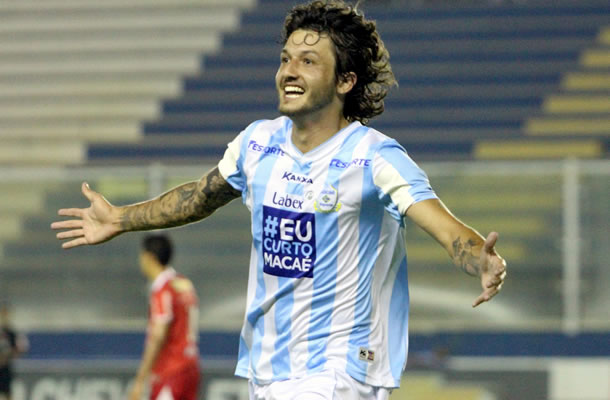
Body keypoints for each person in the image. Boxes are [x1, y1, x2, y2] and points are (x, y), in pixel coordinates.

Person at [52, 1, 507, 399]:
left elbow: (445, 228)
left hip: (340, 367)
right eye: (286, 59)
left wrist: (479, 259)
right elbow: (198, 197)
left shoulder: (374, 157)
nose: (289, 71)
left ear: (345, 80)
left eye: (308, 61)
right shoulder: (257, 144)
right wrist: (121, 218)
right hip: (268, 367)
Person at [128, 234, 201, 400]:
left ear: (149, 258)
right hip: (191, 368)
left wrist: (140, 380)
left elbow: (158, 335)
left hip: (170, 371)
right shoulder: (183, 283)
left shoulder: (162, 289)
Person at [0, 303, 29, 400]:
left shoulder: (11, 333)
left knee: (7, 393)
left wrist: (8, 355)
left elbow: (19, 349)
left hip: (6, 369)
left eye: (6, 314)